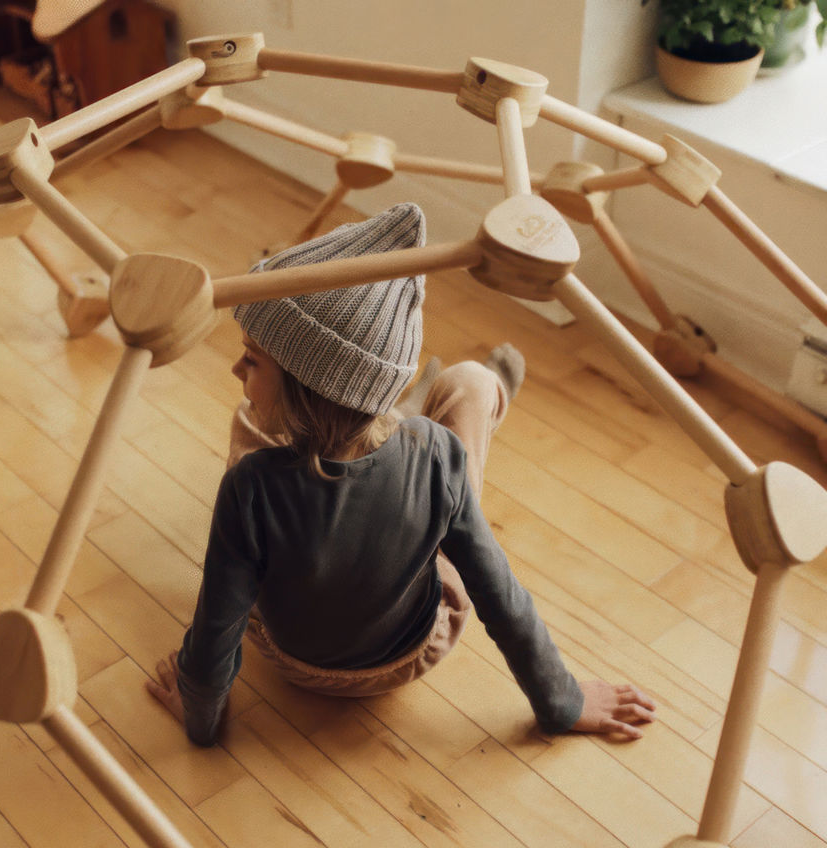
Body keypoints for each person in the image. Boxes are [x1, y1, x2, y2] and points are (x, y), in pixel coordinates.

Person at [147, 203, 656, 746]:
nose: (234, 368)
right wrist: (562, 701)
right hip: (412, 654)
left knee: (251, 418)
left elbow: (218, 624)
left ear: (305, 387)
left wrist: (199, 717)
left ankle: (393, 413)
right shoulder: (437, 455)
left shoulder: (250, 486)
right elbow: (499, 591)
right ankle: (407, 411)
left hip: (289, 658)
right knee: (469, 389)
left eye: (251, 360)